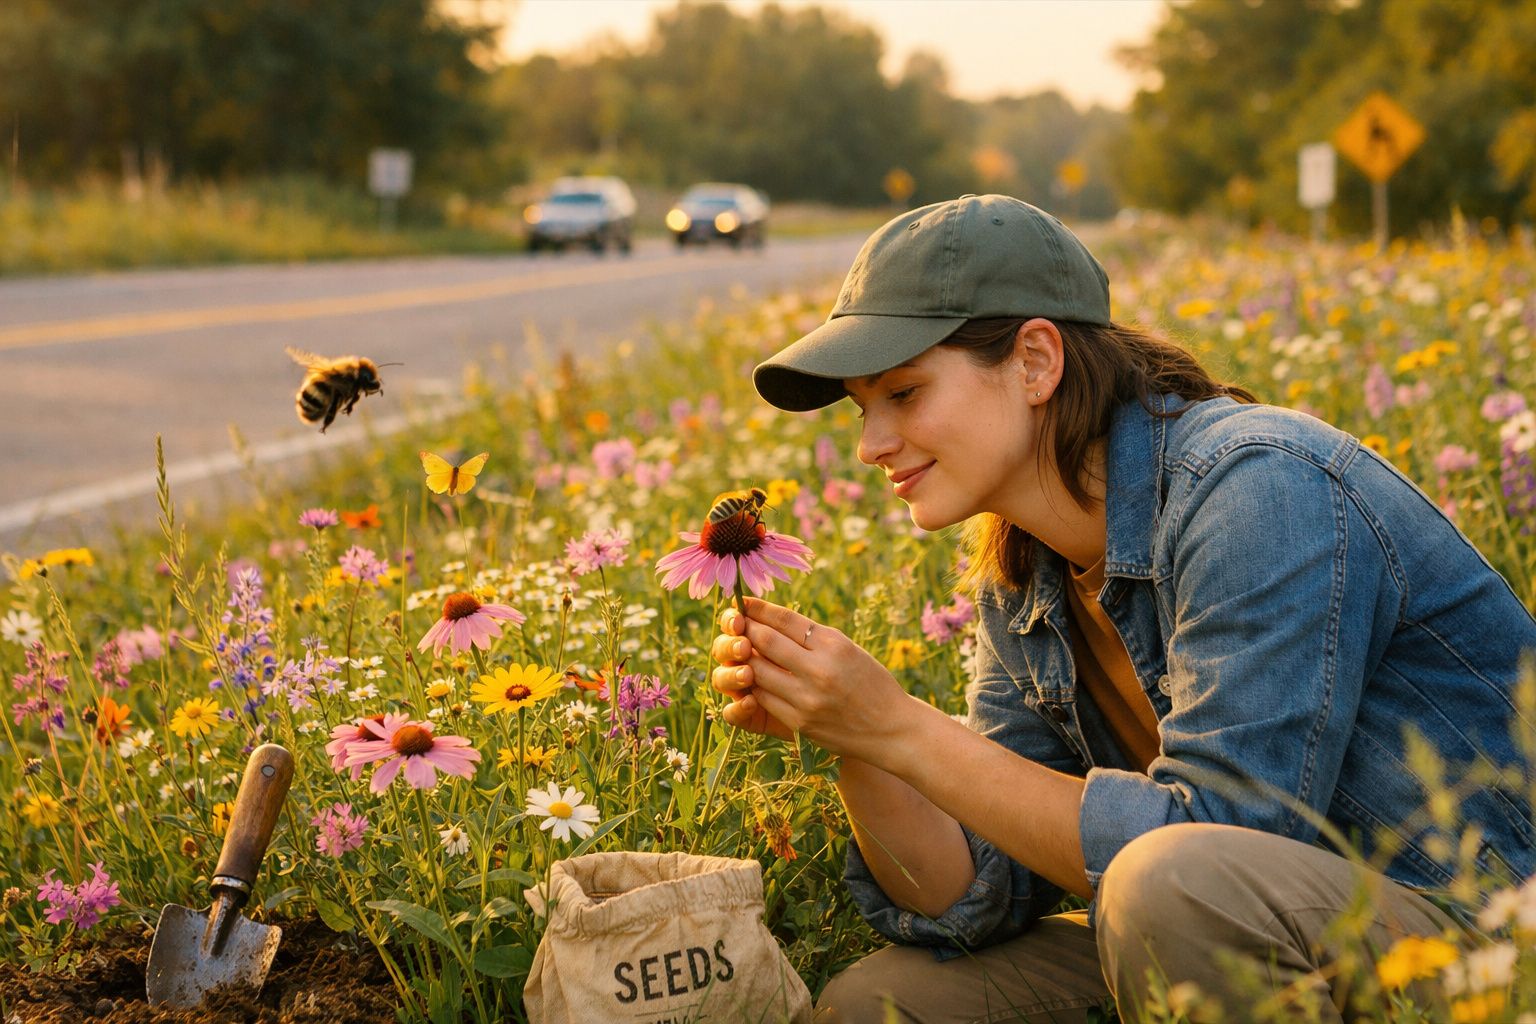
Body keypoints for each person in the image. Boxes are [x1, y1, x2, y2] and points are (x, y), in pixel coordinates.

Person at [709, 194, 1536, 1023]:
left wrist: (901, 724)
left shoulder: (1257, 489)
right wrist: (858, 738)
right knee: (882, 1004)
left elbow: (1224, 833)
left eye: (905, 393)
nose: (871, 443)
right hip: (1232, 939)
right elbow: (980, 892)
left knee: (1165, 880)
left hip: (1485, 934)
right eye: (863, 409)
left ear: (1036, 361)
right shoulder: (1023, 567)